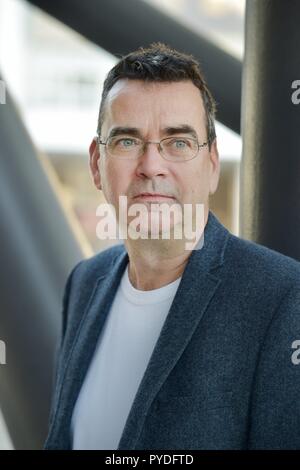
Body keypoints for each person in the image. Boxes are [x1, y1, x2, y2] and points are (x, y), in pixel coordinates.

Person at [44, 42, 300, 450]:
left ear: (212, 164)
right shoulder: (84, 282)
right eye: (127, 142)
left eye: (178, 143)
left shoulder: (282, 298)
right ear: (97, 164)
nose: (151, 165)